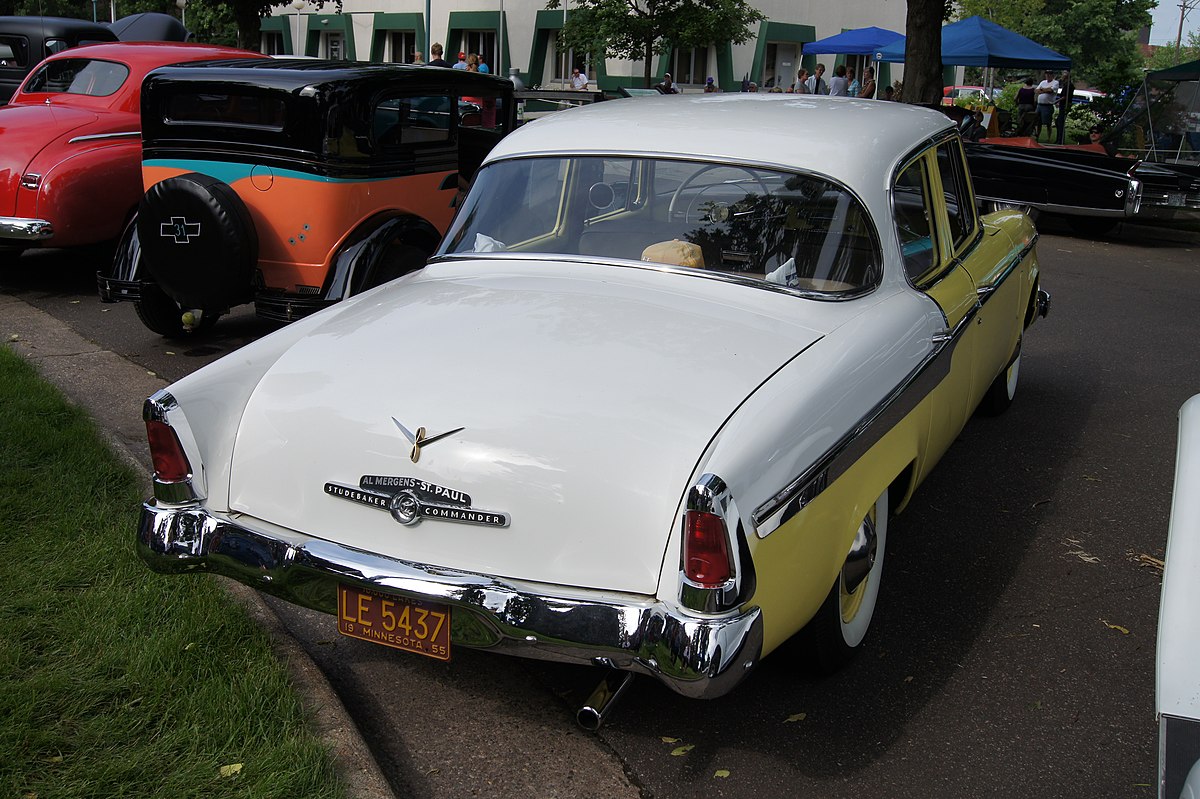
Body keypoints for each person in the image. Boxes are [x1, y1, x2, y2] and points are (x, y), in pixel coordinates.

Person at [1035, 69, 1058, 140]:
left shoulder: (1055, 82)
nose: (1048, 75)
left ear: (1052, 75)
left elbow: (1051, 90)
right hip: (1039, 105)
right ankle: (1037, 136)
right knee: (1037, 122)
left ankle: (1049, 138)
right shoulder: (1042, 82)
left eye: (1049, 74)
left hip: (1047, 105)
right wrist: (1045, 90)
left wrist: (1042, 90)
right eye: (1046, 74)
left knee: (1048, 123)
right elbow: (1036, 90)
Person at [1055, 70, 1074, 145]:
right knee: (1058, 122)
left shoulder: (1069, 85)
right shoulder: (1066, 85)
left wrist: (1056, 101)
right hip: (1063, 105)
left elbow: (1065, 97)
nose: (1062, 76)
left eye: (1063, 75)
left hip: (1065, 105)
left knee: (1060, 122)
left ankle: (1060, 140)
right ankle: (1058, 139)